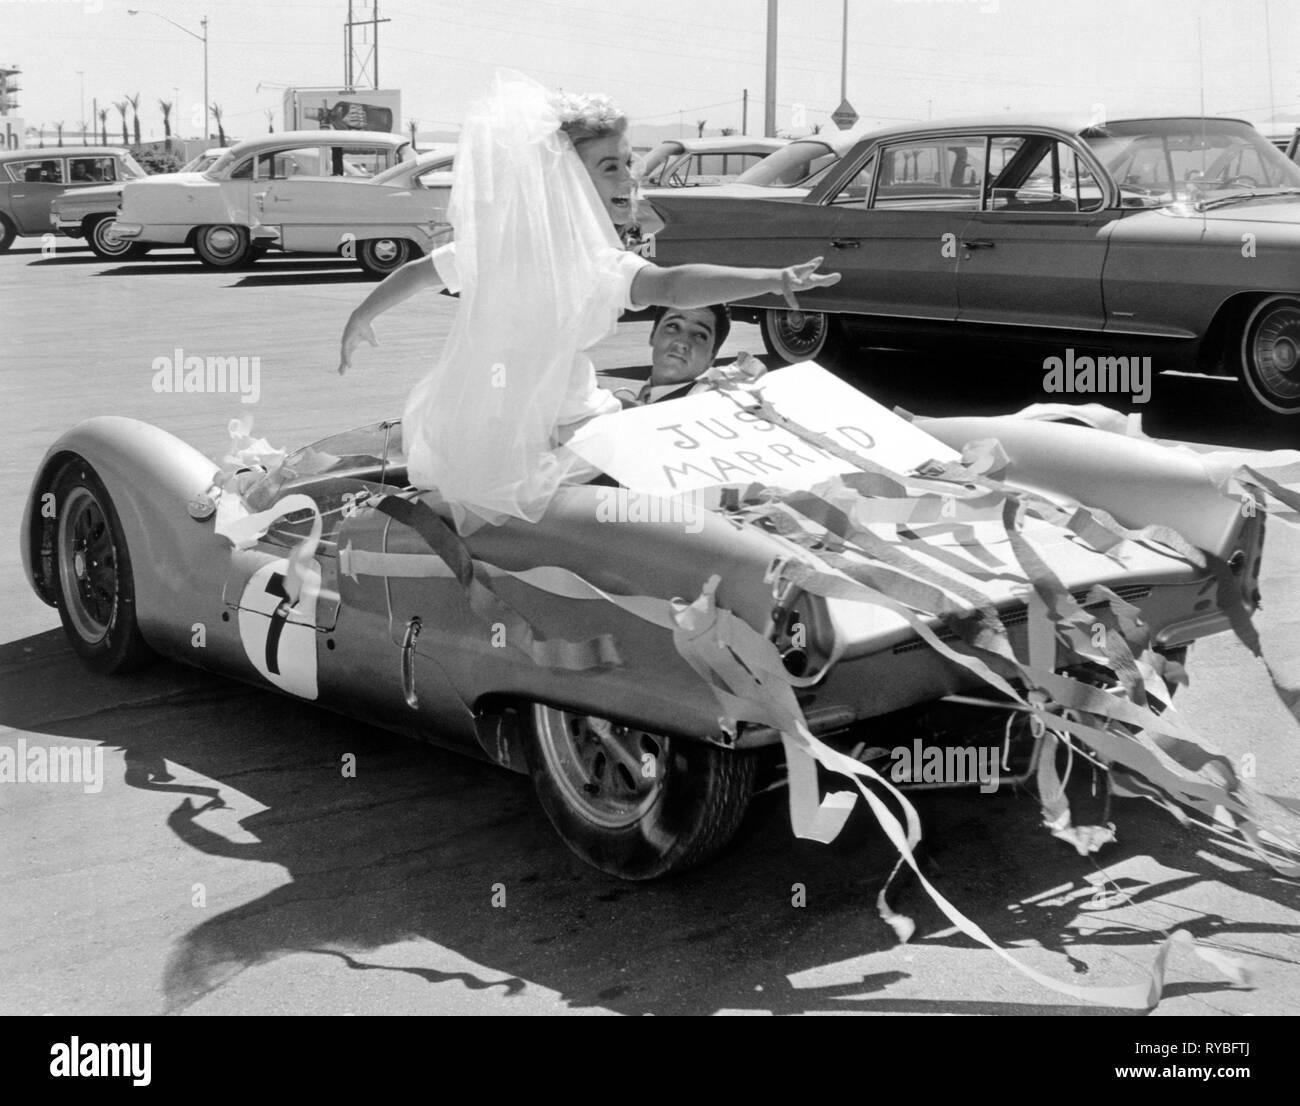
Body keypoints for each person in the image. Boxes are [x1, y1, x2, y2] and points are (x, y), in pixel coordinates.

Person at [338, 70, 838, 529]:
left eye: (626, 162)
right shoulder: (592, 262)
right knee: (645, 447)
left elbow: (417, 274)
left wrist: (363, 315)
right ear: (566, 183)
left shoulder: (501, 247)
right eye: (609, 166)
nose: (628, 177)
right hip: (543, 429)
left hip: (472, 425)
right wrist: (773, 278)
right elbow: (673, 285)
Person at [612, 303, 765, 405]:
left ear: (712, 355)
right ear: (653, 335)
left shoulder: (710, 407)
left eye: (700, 335)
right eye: (673, 326)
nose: (682, 343)